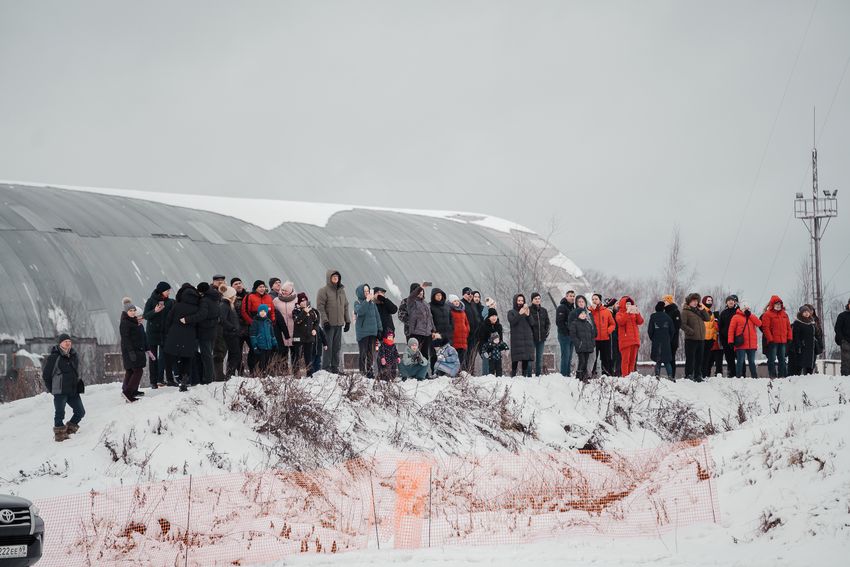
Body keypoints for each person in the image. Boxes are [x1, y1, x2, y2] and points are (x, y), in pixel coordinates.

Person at [42, 333, 85, 442]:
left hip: (73, 390)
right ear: (60, 343)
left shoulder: (73, 355)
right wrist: (52, 389)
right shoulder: (54, 357)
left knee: (80, 412)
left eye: (69, 341)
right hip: (60, 391)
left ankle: (69, 431)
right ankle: (60, 435)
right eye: (65, 341)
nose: (68, 343)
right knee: (60, 413)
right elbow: (46, 375)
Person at [164, 284, 201, 392]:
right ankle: (185, 378)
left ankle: (174, 377)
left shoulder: (177, 305)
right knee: (187, 358)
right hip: (189, 335)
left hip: (174, 334)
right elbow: (198, 323)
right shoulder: (197, 308)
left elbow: (168, 319)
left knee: (173, 357)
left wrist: (167, 332)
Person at [185, 282, 221, 385]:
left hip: (204, 331)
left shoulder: (205, 300)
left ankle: (208, 379)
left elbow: (202, 315)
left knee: (206, 356)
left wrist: (188, 319)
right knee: (209, 353)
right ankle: (211, 376)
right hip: (213, 330)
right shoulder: (215, 298)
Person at [316, 270, 350, 374]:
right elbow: (320, 307)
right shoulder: (323, 291)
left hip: (339, 324)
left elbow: (345, 306)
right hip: (329, 325)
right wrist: (325, 321)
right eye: (333, 276)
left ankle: (335, 367)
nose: (336, 278)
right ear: (329, 278)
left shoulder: (341, 291)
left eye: (337, 276)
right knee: (328, 346)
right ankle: (326, 367)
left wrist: (347, 321)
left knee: (336, 347)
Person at [142, 281, 174, 388]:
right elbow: (145, 315)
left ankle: (169, 379)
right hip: (152, 334)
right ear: (161, 291)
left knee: (167, 356)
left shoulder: (170, 302)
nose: (169, 292)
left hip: (165, 333)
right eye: (167, 291)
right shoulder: (151, 301)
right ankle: (153, 382)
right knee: (153, 358)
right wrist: (155, 311)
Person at [241, 280, 276, 372]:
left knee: (267, 349)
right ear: (255, 288)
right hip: (255, 325)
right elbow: (244, 311)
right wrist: (252, 322)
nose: (262, 289)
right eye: (260, 287)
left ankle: (265, 370)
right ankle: (253, 370)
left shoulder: (268, 297)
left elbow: (272, 311)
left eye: (263, 287)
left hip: (266, 325)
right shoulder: (249, 297)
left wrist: (272, 321)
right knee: (254, 348)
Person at [120, 301, 149, 402]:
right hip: (131, 351)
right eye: (130, 311)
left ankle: (129, 390)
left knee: (131, 371)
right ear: (126, 312)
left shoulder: (132, 321)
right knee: (138, 371)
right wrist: (131, 352)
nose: (132, 312)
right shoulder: (125, 323)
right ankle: (128, 393)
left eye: (133, 310)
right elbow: (126, 339)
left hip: (136, 350)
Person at [403, 283, 436, 370]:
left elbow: (430, 317)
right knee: (415, 354)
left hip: (426, 333)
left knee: (425, 354)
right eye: (419, 292)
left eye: (422, 292)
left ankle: (424, 373)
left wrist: (433, 329)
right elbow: (411, 296)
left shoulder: (425, 303)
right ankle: (414, 372)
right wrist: (420, 287)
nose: (421, 293)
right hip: (416, 332)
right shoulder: (411, 302)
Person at [353, 284, 382, 377]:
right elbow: (361, 311)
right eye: (365, 291)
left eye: (368, 291)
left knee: (371, 354)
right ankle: (362, 371)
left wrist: (379, 329)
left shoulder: (372, 303)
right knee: (363, 353)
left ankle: (370, 371)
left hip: (372, 332)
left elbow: (377, 316)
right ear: (361, 292)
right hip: (363, 333)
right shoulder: (357, 302)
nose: (367, 293)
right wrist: (366, 300)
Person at [680, 293, 710, 382]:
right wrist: (691, 332)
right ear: (689, 301)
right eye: (693, 301)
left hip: (701, 339)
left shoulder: (699, 311)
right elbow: (682, 324)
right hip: (691, 339)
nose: (695, 302)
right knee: (690, 358)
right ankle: (689, 374)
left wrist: (703, 310)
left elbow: (707, 319)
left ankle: (697, 375)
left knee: (699, 359)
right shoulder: (685, 311)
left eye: (696, 301)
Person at [728, 301, 762, 378]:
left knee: (752, 362)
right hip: (741, 343)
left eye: (748, 308)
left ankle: (754, 377)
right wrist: (730, 341)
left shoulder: (752, 316)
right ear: (741, 308)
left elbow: (759, 323)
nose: (746, 309)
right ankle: (738, 376)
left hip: (751, 344)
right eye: (745, 308)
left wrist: (750, 316)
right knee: (740, 361)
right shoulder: (736, 317)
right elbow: (731, 329)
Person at [761, 295, 792, 378]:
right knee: (772, 359)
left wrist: (789, 338)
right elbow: (766, 328)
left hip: (783, 341)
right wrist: (770, 339)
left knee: (782, 359)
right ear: (772, 305)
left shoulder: (785, 314)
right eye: (776, 304)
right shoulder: (767, 315)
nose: (778, 306)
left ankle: (782, 375)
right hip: (773, 342)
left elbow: (788, 327)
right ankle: (773, 375)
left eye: (779, 304)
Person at [215, 285, 241, 381]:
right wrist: (233, 328)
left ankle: (230, 374)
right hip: (229, 334)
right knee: (235, 354)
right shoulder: (224, 305)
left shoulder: (228, 304)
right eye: (234, 295)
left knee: (234, 354)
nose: (235, 297)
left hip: (232, 334)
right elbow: (222, 319)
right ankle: (230, 374)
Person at [568, 296, 596, 382]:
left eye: (582, 301)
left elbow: (592, 331)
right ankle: (578, 377)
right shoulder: (574, 318)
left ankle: (585, 377)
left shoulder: (588, 321)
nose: (581, 303)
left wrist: (592, 342)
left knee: (587, 362)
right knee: (581, 361)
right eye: (579, 301)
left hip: (588, 345)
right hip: (580, 345)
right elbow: (572, 333)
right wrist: (578, 343)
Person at [292, 292, 320, 376]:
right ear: (298, 302)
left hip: (309, 337)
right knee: (298, 356)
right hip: (298, 338)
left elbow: (316, 321)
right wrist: (304, 312)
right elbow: (297, 320)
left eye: (305, 301)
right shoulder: (295, 311)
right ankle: (296, 374)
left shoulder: (312, 311)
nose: (304, 303)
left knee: (308, 357)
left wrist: (315, 329)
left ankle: (309, 373)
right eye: (302, 301)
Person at [615, 296, 644, 376]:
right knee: (625, 361)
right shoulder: (619, 314)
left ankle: (631, 377)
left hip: (635, 340)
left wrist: (637, 313)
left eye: (630, 304)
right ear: (623, 304)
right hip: (625, 341)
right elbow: (621, 322)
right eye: (627, 304)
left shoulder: (633, 314)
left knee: (632, 361)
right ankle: (625, 377)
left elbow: (640, 321)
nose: (628, 305)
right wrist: (627, 312)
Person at [273, 281, 298, 371]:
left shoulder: (297, 300)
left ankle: (296, 372)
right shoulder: (276, 301)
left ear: (291, 291)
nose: (283, 292)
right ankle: (283, 372)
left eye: (285, 291)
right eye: (282, 290)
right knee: (282, 352)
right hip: (281, 330)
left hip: (294, 330)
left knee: (295, 352)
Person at [590, 293, 616, 376]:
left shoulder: (606, 311)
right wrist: (592, 310)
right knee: (593, 358)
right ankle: (592, 374)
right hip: (594, 339)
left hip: (605, 339)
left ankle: (606, 375)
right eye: (593, 299)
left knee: (606, 358)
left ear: (600, 300)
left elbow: (613, 324)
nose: (594, 301)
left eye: (596, 299)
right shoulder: (590, 311)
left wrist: (608, 331)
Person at [508, 294, 534, 377]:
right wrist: (519, 314)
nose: (520, 302)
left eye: (522, 301)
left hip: (527, 337)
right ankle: (513, 375)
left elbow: (532, 323)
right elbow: (512, 322)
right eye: (519, 300)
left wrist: (528, 315)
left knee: (525, 358)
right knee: (515, 357)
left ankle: (524, 375)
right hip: (516, 338)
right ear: (515, 301)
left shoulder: (527, 311)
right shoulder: (511, 312)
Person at [648, 302, 675, 379]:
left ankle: (657, 375)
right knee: (667, 360)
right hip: (666, 341)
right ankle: (670, 376)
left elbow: (650, 331)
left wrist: (653, 339)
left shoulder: (653, 317)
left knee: (658, 359)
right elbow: (672, 330)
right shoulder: (668, 317)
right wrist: (669, 339)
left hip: (656, 341)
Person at [478, 308, 508, 376]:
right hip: (486, 351)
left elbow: (501, 340)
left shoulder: (499, 326)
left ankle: (499, 381)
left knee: (498, 368)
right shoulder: (484, 326)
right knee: (488, 371)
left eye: (495, 316)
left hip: (496, 352)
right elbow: (481, 340)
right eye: (492, 316)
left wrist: (503, 348)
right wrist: (483, 352)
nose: (494, 317)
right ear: (489, 317)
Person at [429, 288, 453, 371]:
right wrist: (432, 332)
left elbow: (451, 319)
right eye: (437, 295)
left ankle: (445, 372)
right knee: (435, 355)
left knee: (446, 354)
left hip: (446, 334)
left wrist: (451, 330)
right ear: (433, 296)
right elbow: (429, 321)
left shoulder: (447, 306)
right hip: (436, 335)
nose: (439, 297)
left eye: (440, 295)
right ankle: (434, 371)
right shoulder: (430, 306)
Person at [250, 304, 278, 374]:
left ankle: (268, 374)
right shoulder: (255, 322)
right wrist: (255, 346)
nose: (263, 313)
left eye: (264, 311)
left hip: (268, 346)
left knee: (268, 361)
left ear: (266, 312)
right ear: (258, 312)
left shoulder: (268, 321)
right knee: (261, 362)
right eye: (261, 311)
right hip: (260, 346)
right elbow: (253, 335)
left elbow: (272, 334)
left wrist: (275, 344)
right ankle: (261, 375)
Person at [791, 305, 818, 375]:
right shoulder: (797, 323)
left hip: (811, 346)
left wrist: (817, 343)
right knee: (800, 363)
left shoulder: (812, 323)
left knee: (810, 363)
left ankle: (809, 376)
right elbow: (796, 336)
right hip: (802, 346)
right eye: (804, 312)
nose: (806, 313)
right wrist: (799, 345)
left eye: (807, 311)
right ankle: (797, 377)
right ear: (801, 313)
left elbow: (816, 334)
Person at [528, 292, 551, 376]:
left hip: (541, 338)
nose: (537, 300)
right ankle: (529, 375)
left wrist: (545, 333)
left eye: (538, 298)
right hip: (531, 338)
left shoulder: (544, 310)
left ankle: (538, 375)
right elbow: (527, 323)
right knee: (530, 357)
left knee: (539, 357)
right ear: (532, 300)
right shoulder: (529, 310)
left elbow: (548, 323)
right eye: (535, 299)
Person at [231, 278, 250, 375]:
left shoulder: (248, 296)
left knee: (254, 351)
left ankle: (253, 371)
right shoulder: (231, 297)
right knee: (237, 352)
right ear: (232, 286)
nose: (238, 285)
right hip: (237, 330)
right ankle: (239, 372)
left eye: (239, 283)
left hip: (249, 329)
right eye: (235, 284)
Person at [701, 296, 724, 378]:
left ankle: (718, 375)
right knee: (707, 362)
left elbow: (718, 329)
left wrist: (717, 322)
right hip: (709, 342)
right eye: (708, 300)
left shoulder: (715, 318)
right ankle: (705, 375)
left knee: (718, 364)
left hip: (717, 345)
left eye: (711, 300)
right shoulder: (704, 313)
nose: (710, 302)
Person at [462, 287, 483, 373]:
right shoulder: (462, 304)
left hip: (475, 333)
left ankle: (471, 371)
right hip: (466, 333)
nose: (470, 295)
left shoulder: (472, 304)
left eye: (471, 294)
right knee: (466, 354)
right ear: (463, 294)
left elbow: (477, 317)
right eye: (468, 293)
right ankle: (464, 371)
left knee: (472, 354)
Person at [555, 290, 576, 376]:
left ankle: (568, 374)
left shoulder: (573, 308)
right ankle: (563, 375)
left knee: (570, 356)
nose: (572, 297)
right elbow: (559, 322)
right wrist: (567, 331)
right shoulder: (562, 307)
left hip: (572, 336)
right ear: (566, 297)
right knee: (565, 356)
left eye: (573, 296)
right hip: (564, 335)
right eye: (570, 296)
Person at [718, 295, 740, 377]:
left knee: (739, 358)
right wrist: (722, 340)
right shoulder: (723, 313)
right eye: (729, 300)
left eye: (732, 300)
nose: (731, 302)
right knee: (729, 358)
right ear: (726, 302)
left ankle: (741, 374)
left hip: (738, 339)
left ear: (735, 302)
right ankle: (731, 374)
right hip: (726, 340)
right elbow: (720, 327)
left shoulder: (738, 312)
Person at [662, 295, 682, 378]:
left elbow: (677, 325)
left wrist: (669, 332)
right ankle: (669, 374)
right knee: (666, 358)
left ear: (669, 301)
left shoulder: (675, 311)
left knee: (671, 357)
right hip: (665, 339)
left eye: (665, 301)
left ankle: (672, 375)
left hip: (672, 339)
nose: (663, 302)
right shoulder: (664, 312)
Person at [448, 294, 470, 369]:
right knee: (454, 356)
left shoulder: (463, 312)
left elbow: (467, 323)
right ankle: (454, 371)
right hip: (454, 337)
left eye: (457, 301)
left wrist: (466, 331)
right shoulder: (450, 311)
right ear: (451, 302)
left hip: (463, 338)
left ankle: (461, 371)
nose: (457, 302)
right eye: (454, 301)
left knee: (462, 356)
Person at [835, 298, 850, 376]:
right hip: (845, 342)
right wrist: (841, 340)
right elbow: (837, 328)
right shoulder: (842, 315)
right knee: (846, 361)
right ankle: (845, 378)